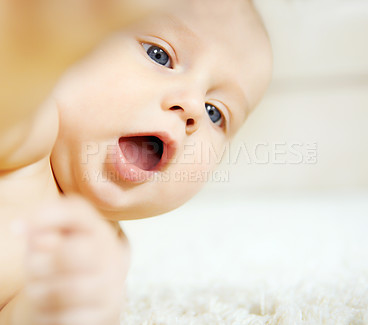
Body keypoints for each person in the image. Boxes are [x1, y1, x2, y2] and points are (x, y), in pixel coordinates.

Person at [0, 0, 273, 324]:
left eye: (216, 112)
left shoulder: (107, 254)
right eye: (160, 55)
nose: (192, 107)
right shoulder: (32, 139)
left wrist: (53, 311)